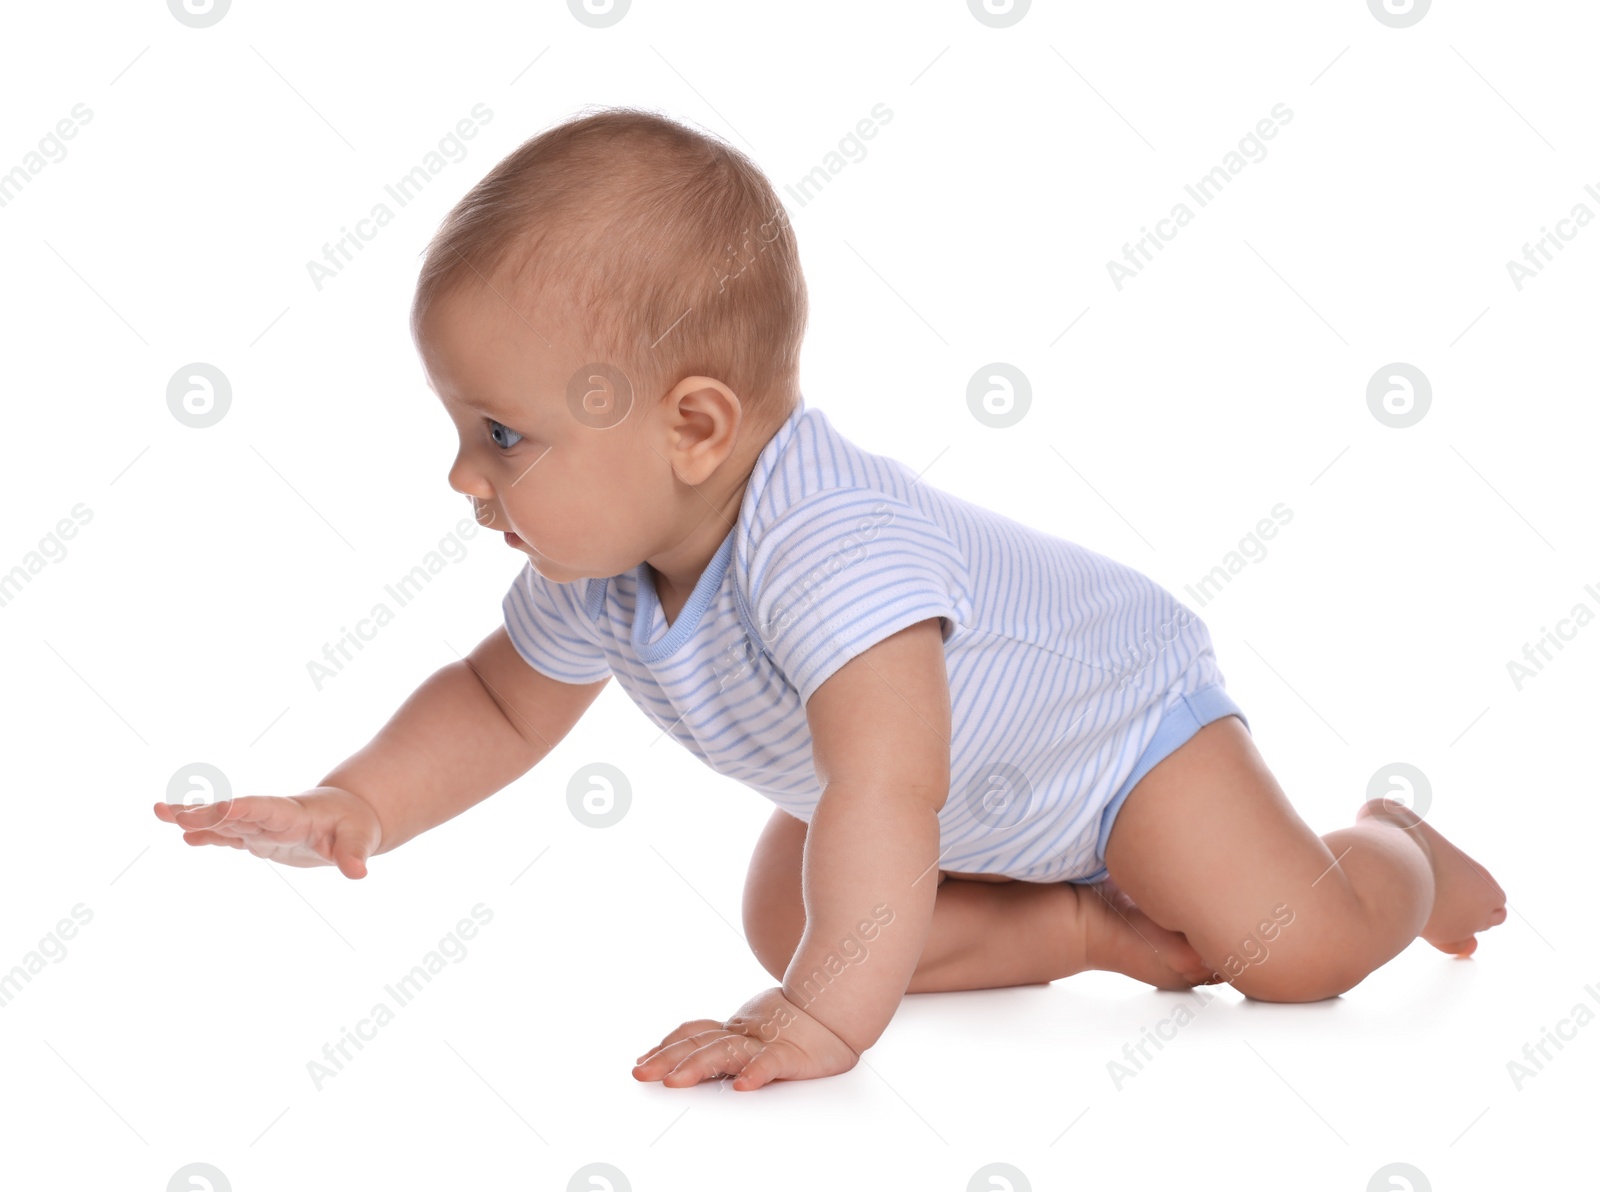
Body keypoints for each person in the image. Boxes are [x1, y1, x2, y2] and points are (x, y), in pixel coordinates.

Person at [153, 106, 1506, 1093]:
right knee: (787, 914)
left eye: (502, 434)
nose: (463, 474)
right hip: (964, 801)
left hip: (1114, 743)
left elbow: (883, 791)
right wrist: (360, 802)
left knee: (1296, 956)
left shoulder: (831, 548)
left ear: (694, 425)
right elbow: (499, 709)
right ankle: (1092, 926)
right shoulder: (602, 566)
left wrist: (820, 1019)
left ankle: (1398, 850)